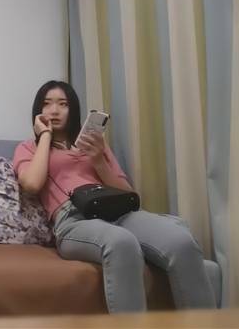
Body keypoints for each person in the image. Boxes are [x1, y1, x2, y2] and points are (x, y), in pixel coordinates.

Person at [13, 80, 216, 312]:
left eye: (63, 104)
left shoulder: (95, 146)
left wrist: (99, 160)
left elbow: (129, 195)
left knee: (181, 242)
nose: (54, 110)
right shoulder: (28, 148)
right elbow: (32, 184)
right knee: (122, 243)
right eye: (47, 104)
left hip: (118, 211)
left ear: (74, 109)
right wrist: (45, 136)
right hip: (74, 220)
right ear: (38, 111)